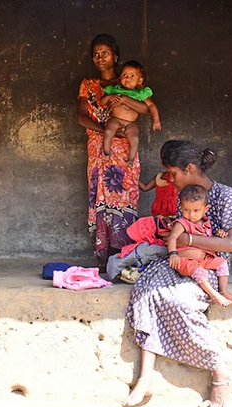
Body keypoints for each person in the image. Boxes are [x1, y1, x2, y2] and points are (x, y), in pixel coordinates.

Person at [124, 140, 232, 407]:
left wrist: (189, 238)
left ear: (189, 168)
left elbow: (231, 244)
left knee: (180, 301)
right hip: (179, 261)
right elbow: (179, 238)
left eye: (173, 173)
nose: (169, 179)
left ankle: (219, 373)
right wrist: (174, 237)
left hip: (208, 267)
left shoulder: (224, 195)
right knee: (146, 290)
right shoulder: (184, 198)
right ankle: (145, 378)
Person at [77, 34, 151, 271]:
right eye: (96, 54)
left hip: (124, 149)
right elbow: (80, 116)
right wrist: (105, 130)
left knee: (125, 194)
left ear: (115, 56)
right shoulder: (88, 85)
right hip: (100, 147)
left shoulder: (128, 81)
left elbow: (146, 108)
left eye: (105, 53)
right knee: (98, 197)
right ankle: (102, 257)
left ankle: (124, 255)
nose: (100, 58)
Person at [167, 184, 232, 307]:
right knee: (198, 270)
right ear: (181, 208)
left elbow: (207, 239)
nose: (191, 215)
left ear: (205, 209)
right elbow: (172, 237)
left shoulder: (206, 224)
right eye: (186, 210)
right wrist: (173, 254)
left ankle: (223, 290)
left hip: (203, 259)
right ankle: (213, 294)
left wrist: (218, 234)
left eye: (196, 211)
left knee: (222, 263)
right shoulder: (182, 223)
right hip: (185, 261)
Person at [100, 60, 161, 166]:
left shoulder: (140, 93)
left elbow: (151, 106)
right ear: (120, 78)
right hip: (115, 119)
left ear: (139, 80)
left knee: (135, 138)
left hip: (131, 123)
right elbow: (102, 101)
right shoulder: (114, 90)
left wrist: (156, 121)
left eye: (132, 76)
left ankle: (131, 160)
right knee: (108, 131)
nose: (127, 78)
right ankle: (106, 153)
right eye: (124, 75)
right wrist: (110, 97)